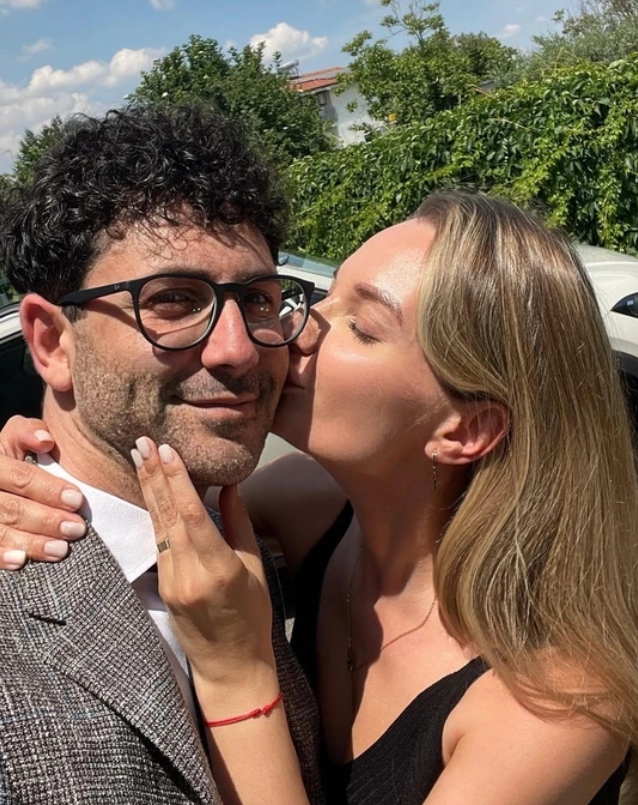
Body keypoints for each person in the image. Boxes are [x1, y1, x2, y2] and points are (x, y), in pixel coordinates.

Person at [2, 192, 638, 805]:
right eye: (317, 298)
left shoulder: (561, 700)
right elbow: (131, 500)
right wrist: (26, 463)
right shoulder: (308, 505)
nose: (289, 331)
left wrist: (237, 675)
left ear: (465, 430)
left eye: (360, 327)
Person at [0, 105, 323, 805]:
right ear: (52, 342)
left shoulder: (246, 541)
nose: (238, 350)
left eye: (258, 299)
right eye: (174, 299)